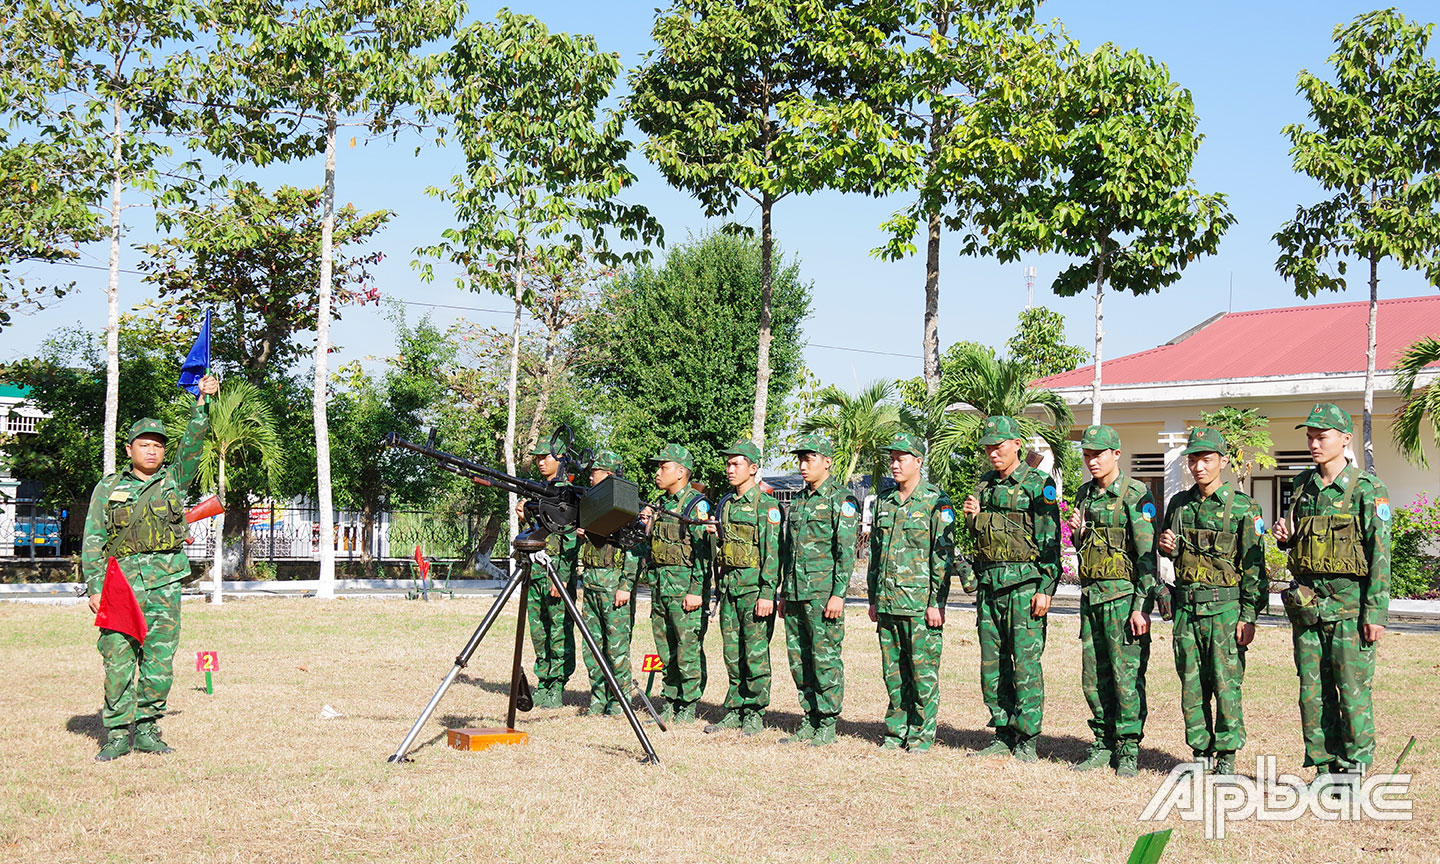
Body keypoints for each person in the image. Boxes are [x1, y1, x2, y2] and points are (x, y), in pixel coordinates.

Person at [83, 374, 218, 762]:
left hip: (164, 583)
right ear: (130, 450)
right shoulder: (108, 489)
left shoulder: (173, 481)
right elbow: (93, 539)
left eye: (158, 446)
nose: (152, 451)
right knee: (118, 658)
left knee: (159, 658)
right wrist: (94, 586)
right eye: (144, 445)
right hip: (120, 584)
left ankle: (146, 728)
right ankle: (115, 733)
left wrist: (202, 405)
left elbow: (192, 444)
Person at [1272, 403, 1390, 785]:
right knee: (1312, 692)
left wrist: (1376, 613)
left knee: (1352, 692)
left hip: (1350, 610)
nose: (1313, 443)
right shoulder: (1303, 486)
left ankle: (1353, 770)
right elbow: (1305, 547)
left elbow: (1379, 555)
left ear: (1345, 439)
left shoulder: (1367, 490)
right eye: (1309, 436)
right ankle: (1324, 770)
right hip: (1309, 609)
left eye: (1321, 436)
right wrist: (1287, 542)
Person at [1157, 427, 1266, 777]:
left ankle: (1227, 756)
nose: (1199, 467)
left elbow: (1254, 569)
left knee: (1225, 683)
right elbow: (1168, 549)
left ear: (1222, 462)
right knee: (1192, 684)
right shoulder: (1179, 504)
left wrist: (1248, 615)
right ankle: (1200, 752)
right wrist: (1166, 548)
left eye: (1206, 459)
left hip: (1225, 610)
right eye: (1193, 459)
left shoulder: (1243, 508)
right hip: (1187, 609)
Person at [963, 415, 1059, 762]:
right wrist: (972, 519)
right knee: (993, 664)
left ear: (1017, 444)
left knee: (1025, 665)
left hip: (1024, 586)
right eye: (988, 447)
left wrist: (1046, 587)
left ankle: (1027, 738)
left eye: (999, 446)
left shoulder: (1038, 484)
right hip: (990, 586)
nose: (992, 453)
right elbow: (981, 537)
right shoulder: (985, 485)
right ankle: (1002, 732)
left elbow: (1050, 541)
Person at [1068, 425, 1159, 777]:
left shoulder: (1136, 496)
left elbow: (1146, 558)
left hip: (1123, 600)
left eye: (1098, 454)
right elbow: (1086, 548)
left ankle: (1128, 747)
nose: (1092, 461)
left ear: (1116, 455)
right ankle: (1102, 742)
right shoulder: (1084, 495)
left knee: (1126, 676)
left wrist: (1141, 607)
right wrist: (1076, 534)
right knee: (1093, 677)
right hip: (1092, 597)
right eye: (1087, 454)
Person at [867, 431, 955, 754]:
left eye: (901, 458)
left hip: (919, 605)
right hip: (889, 601)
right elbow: (876, 553)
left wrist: (937, 603)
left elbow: (942, 557)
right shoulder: (884, 502)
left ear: (918, 461)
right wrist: (874, 597)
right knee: (893, 673)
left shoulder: (936, 502)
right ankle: (896, 730)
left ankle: (920, 734)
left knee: (922, 673)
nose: (894, 464)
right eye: (891, 458)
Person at [618, 443, 710, 723]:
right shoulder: (660, 505)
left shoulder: (696, 504)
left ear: (681, 471)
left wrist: (696, 591)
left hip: (684, 590)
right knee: (665, 647)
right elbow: (649, 546)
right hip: (660, 589)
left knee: (687, 647)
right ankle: (670, 700)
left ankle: (688, 705)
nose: (658, 471)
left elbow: (704, 554)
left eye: (664, 466)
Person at [778, 433, 858, 746]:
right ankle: (808, 717)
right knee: (799, 658)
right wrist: (784, 591)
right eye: (800, 459)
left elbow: (846, 551)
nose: (802, 465)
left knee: (825, 658)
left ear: (827, 462)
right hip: (796, 592)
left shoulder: (842, 499)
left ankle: (827, 721)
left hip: (824, 594)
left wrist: (838, 593)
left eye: (809, 459)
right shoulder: (797, 500)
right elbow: (789, 550)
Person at [704, 439, 781, 736]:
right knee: (732, 653)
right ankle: (734, 709)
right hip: (730, 589)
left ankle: (755, 712)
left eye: (736, 464)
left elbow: (773, 553)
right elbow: (723, 549)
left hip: (753, 590)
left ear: (753, 468)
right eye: (728, 464)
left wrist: (766, 593)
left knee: (755, 653)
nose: (730, 469)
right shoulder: (726, 504)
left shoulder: (766, 505)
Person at [577, 449, 642, 716]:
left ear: (609, 474)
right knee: (591, 644)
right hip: (591, 581)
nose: (591, 477)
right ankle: (598, 696)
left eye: (595, 472)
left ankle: (620, 699)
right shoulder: (593, 505)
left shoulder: (625, 508)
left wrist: (625, 585)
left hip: (613, 582)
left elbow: (634, 550)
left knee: (616, 646)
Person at [518, 441, 580, 708]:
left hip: (556, 571)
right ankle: (543, 681)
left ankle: (557, 685)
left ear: (561, 458)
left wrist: (563, 576)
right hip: (536, 571)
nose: (540, 462)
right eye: (538, 458)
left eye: (545, 457)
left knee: (558, 630)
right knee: (538, 630)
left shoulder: (569, 493)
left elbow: (571, 539)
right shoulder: (541, 490)